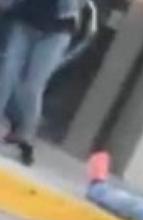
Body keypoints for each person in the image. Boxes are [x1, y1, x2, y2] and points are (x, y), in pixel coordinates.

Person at [0, 0, 90, 165]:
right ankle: (21, 131)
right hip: (28, 18)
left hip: (58, 27)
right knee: (8, 72)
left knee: (32, 85)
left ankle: (25, 135)